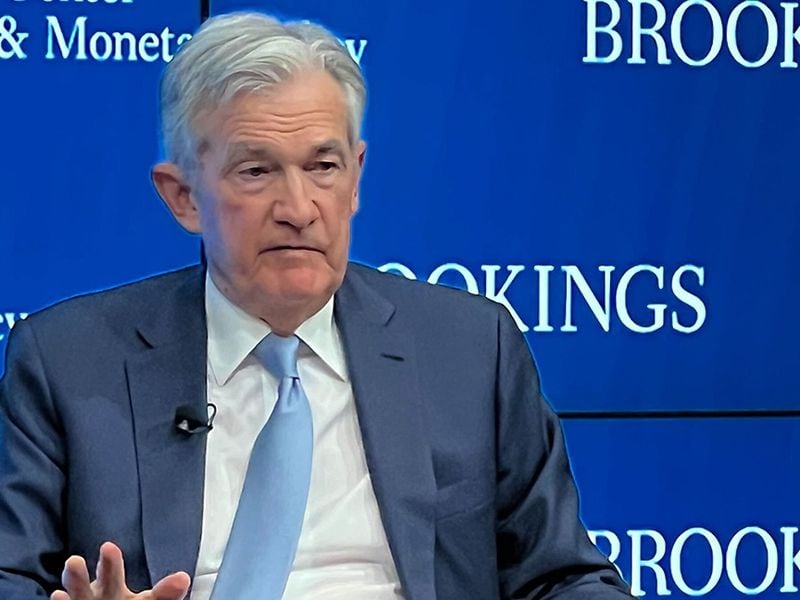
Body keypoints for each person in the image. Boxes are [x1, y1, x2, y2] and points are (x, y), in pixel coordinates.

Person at [0, 11, 633, 600]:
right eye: (256, 171)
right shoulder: (66, 363)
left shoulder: (471, 348)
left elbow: (565, 576)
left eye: (323, 166)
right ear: (183, 196)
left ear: (355, 177)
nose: (299, 209)